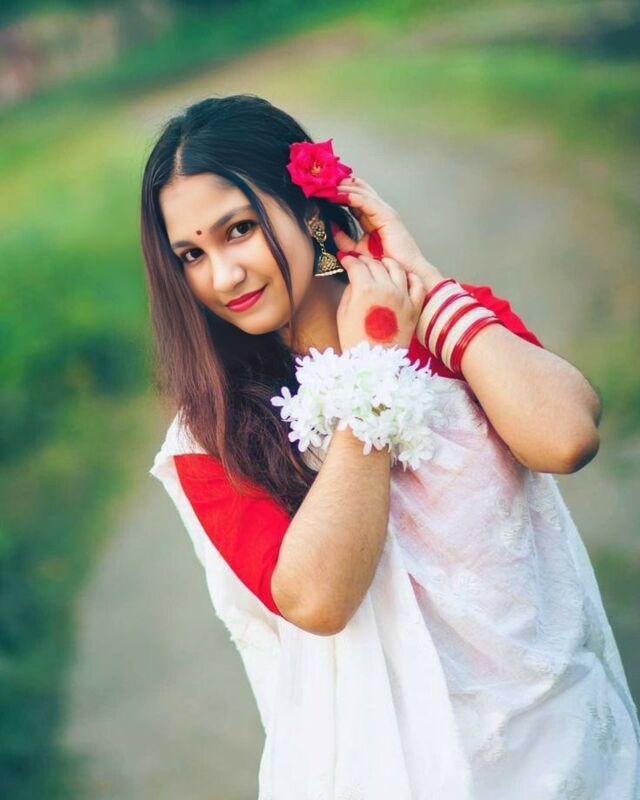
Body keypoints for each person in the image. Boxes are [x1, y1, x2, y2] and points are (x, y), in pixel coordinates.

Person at [141, 93, 640, 799]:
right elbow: (317, 599)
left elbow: (566, 438)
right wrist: (371, 374)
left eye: (240, 230)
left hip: (556, 741)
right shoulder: (211, 435)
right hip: (384, 770)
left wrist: (423, 282)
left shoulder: (443, 321)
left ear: (311, 212)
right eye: (192, 254)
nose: (223, 276)